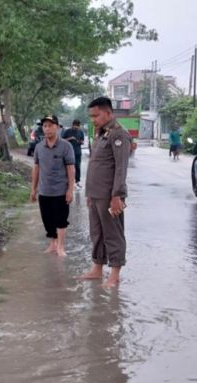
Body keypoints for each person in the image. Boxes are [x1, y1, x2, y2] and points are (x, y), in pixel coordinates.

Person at [76, 97, 131, 288]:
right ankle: (97, 269)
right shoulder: (101, 134)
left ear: (108, 113)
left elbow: (120, 168)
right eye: (91, 116)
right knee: (97, 233)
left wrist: (117, 196)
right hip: (96, 194)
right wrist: (89, 194)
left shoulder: (118, 135)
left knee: (112, 234)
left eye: (96, 115)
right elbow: (96, 165)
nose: (93, 119)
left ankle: (114, 275)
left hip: (110, 196)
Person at [30, 115, 76, 257]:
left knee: (61, 220)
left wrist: (70, 190)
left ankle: (61, 247)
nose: (47, 128)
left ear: (57, 127)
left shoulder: (65, 146)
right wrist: (33, 189)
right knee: (47, 220)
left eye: (50, 125)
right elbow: (36, 168)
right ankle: (52, 244)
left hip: (60, 191)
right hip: (44, 191)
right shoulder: (39, 147)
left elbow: (70, 168)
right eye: (45, 126)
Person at [63, 119, 85, 189]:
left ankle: (77, 182)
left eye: (78, 126)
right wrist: (70, 138)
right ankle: (69, 182)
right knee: (69, 167)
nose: (77, 127)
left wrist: (81, 142)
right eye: (76, 126)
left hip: (78, 152)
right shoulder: (67, 131)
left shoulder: (80, 132)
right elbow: (62, 140)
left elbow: (82, 140)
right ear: (72, 125)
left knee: (77, 167)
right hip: (68, 153)